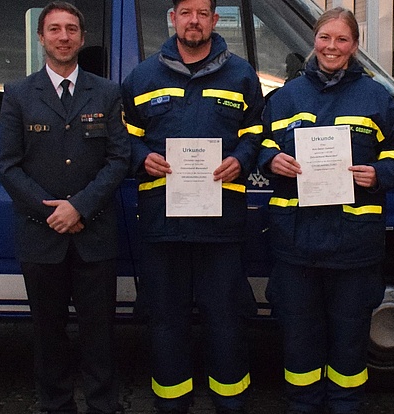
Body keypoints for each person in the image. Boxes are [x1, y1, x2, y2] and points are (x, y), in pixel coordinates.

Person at [257, 8, 394, 414]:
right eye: (325, 38)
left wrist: (378, 172)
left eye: (342, 40)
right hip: (296, 246)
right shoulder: (285, 96)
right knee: (300, 345)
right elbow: (258, 142)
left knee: (349, 347)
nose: (332, 47)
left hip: (353, 248)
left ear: (354, 46)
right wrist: (271, 159)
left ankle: (346, 406)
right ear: (314, 40)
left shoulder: (378, 98)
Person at [119, 0, 264, 412]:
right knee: (165, 322)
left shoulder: (241, 74)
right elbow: (125, 135)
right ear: (173, 18)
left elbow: (255, 130)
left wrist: (242, 157)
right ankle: (172, 404)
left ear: (216, 20)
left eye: (202, 13)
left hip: (221, 225)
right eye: (186, 13)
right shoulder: (143, 76)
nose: (194, 21)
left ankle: (231, 404)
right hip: (163, 223)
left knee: (227, 320)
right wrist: (140, 157)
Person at [0, 2, 130, 413]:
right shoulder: (18, 94)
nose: (63, 36)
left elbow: (118, 159)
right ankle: (55, 405)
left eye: (71, 29)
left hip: (95, 234)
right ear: (41, 38)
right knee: (48, 333)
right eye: (54, 29)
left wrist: (80, 208)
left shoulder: (106, 92)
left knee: (99, 334)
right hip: (42, 235)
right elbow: (7, 165)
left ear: (82, 38)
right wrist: (53, 211)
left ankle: (103, 405)